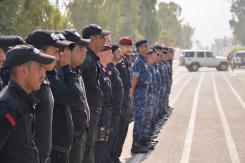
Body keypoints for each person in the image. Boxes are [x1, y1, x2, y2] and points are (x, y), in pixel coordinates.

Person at [0, 44, 55, 163]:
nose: (43, 74)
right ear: (23, 70)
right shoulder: (7, 106)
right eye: (39, 67)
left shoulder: (24, 101)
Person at [26, 29, 74, 163]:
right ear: (40, 53)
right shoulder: (28, 85)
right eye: (55, 52)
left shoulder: (45, 78)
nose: (59, 57)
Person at [81, 24, 109, 163]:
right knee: (86, 148)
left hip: (94, 111)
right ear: (91, 39)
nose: (105, 40)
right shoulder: (86, 59)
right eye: (101, 37)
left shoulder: (92, 58)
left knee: (91, 146)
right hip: (87, 112)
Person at [62, 29, 90, 163]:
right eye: (81, 47)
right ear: (67, 50)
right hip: (71, 139)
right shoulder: (61, 75)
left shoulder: (75, 71)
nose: (85, 51)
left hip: (81, 134)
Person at [114, 36, 132, 162]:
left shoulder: (126, 60)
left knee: (123, 131)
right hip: (119, 102)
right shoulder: (117, 61)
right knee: (117, 132)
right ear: (120, 46)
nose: (128, 48)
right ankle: (113, 156)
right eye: (126, 46)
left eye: (129, 46)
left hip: (126, 100)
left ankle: (116, 156)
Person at [130, 39, 150, 154]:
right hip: (139, 93)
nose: (147, 48)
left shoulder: (144, 60)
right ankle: (136, 145)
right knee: (139, 119)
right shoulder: (138, 61)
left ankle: (141, 142)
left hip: (144, 91)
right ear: (139, 48)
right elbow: (134, 78)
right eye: (145, 46)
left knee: (142, 118)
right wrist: (132, 91)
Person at [94, 45, 113, 163]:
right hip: (101, 115)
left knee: (104, 143)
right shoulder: (98, 71)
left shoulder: (105, 70)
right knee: (99, 146)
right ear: (100, 54)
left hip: (107, 114)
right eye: (108, 52)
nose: (111, 54)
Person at [107, 44, 124, 163]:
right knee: (108, 138)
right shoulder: (109, 69)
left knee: (114, 136)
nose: (120, 54)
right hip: (111, 111)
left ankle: (112, 157)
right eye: (117, 52)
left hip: (117, 110)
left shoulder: (114, 68)